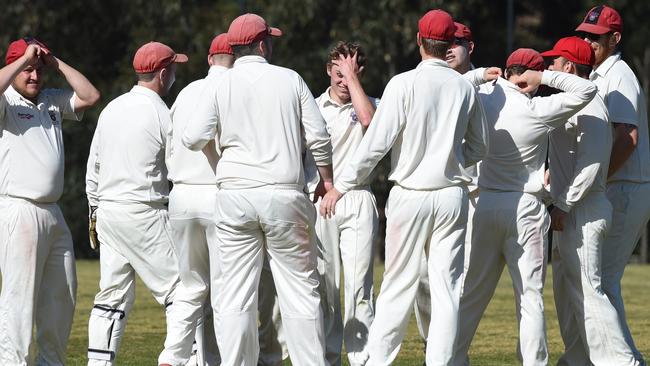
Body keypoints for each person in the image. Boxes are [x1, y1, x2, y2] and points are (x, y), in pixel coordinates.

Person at [320, 9, 488, 365]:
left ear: (419, 41)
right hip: (451, 196)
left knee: (398, 286)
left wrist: (342, 186)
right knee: (446, 289)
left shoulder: (403, 83)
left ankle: (376, 362)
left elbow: (375, 146)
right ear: (447, 46)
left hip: (410, 195)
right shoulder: (463, 86)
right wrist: (453, 158)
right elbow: (479, 147)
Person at [183, 13, 332, 366]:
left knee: (234, 294)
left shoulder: (220, 84)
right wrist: (326, 180)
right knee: (300, 292)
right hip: (284, 193)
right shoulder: (290, 79)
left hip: (235, 196)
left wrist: (221, 160)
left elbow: (193, 137)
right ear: (264, 44)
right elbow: (320, 136)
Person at [451, 48, 598, 366]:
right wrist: (545, 77)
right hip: (525, 209)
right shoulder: (537, 108)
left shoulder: (483, 98)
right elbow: (588, 88)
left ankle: (448, 358)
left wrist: (477, 75)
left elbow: (448, 87)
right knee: (530, 299)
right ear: (529, 75)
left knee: (472, 294)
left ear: (506, 70)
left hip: (486, 203)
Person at [86, 41, 196, 366]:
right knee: (181, 291)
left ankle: (98, 364)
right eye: (173, 68)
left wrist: (94, 210)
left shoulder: (111, 109)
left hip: (108, 212)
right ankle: (180, 360)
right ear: (163, 73)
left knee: (111, 297)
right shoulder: (163, 113)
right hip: (144, 211)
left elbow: (94, 166)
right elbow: (179, 168)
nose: (175, 73)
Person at [0, 37, 100, 365]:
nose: (33, 76)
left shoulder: (52, 101)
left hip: (53, 213)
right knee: (20, 301)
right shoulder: (7, 102)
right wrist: (23, 58)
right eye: (27, 70)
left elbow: (90, 96)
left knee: (63, 295)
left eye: (38, 71)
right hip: (19, 209)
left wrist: (53, 61)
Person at [542, 35, 640, 366]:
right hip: (570, 208)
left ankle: (622, 362)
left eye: (553, 61)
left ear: (569, 67)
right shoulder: (571, 101)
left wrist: (565, 205)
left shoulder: (591, 103)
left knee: (589, 292)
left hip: (582, 210)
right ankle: (576, 359)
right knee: (568, 293)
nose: (548, 66)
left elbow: (591, 164)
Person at [576, 6, 650, 364]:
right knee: (602, 282)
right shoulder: (599, 74)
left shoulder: (618, 75)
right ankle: (619, 356)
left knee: (600, 282)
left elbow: (628, 137)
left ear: (614, 38)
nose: (588, 41)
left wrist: (596, 179)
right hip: (621, 184)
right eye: (586, 34)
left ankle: (623, 360)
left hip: (625, 185)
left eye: (596, 35)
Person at [167, 33, 234, 366]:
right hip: (215, 194)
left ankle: (172, 356)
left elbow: (170, 141)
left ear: (210, 59)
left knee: (190, 286)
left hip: (179, 195)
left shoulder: (186, 92)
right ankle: (222, 360)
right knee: (224, 290)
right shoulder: (234, 90)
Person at [313, 40, 379, 366]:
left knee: (359, 287)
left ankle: (363, 359)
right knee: (326, 288)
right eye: (338, 74)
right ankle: (328, 359)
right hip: (322, 202)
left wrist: (354, 81)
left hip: (357, 198)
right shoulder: (312, 107)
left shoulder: (371, 103)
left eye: (350, 74)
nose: (342, 81)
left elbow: (369, 122)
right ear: (328, 70)